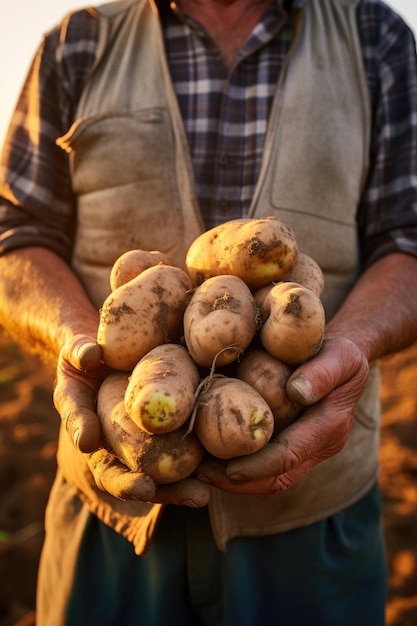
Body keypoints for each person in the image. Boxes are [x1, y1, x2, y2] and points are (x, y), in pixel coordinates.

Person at [1, 0, 417, 624]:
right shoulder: (78, 43)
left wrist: (348, 348)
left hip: (311, 519)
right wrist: (77, 340)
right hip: (111, 511)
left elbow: (407, 239)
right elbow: (16, 234)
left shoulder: (374, 38)